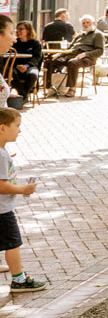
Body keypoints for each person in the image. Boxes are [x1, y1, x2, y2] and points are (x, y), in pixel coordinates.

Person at [0, 106, 47, 293]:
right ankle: (18, 280)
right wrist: (23, 189)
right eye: (17, 126)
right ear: (2, 128)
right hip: (2, 210)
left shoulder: (3, 154)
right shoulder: (1, 155)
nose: (20, 130)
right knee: (13, 243)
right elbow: (1, 185)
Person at [45, 15, 105, 97]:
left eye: (88, 22)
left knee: (72, 63)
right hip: (72, 55)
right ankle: (49, 87)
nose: (86, 24)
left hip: (87, 58)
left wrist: (85, 54)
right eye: (83, 23)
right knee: (50, 61)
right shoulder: (79, 36)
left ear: (93, 23)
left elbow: (100, 51)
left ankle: (72, 89)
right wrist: (59, 54)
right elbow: (69, 48)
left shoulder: (98, 34)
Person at [9, 23, 42, 104]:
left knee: (33, 74)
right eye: (17, 29)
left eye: (21, 29)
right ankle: (24, 96)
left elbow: (37, 57)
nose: (18, 31)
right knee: (10, 73)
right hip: (16, 66)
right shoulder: (14, 43)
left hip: (30, 66)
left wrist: (26, 66)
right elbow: (10, 57)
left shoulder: (35, 43)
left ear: (28, 30)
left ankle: (23, 96)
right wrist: (17, 65)